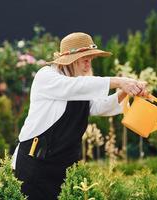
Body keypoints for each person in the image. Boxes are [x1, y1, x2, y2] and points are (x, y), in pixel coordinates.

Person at [12, 32, 148, 200]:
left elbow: (99, 107)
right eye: (85, 60)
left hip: (64, 166)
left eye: (90, 60)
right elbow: (73, 87)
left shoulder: (80, 82)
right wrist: (120, 81)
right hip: (34, 165)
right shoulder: (46, 76)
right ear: (71, 60)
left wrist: (125, 91)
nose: (88, 65)